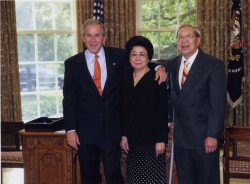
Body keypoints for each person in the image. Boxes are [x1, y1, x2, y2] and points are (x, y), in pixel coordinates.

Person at [63, 19, 167, 184]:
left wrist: (159, 68)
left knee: (114, 176)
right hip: (85, 133)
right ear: (83, 38)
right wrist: (70, 130)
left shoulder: (118, 56)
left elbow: (140, 61)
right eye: (89, 35)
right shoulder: (72, 64)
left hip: (112, 132)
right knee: (89, 176)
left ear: (104, 37)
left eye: (97, 35)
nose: (93, 40)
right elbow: (69, 100)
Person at [167, 24, 227, 184]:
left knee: (206, 179)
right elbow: (171, 96)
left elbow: (218, 103)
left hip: (203, 137)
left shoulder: (213, 65)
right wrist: (170, 118)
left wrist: (213, 135)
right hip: (181, 137)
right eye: (180, 37)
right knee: (185, 179)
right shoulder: (172, 64)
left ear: (198, 40)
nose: (184, 41)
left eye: (188, 36)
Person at [120, 36, 169, 184]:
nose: (137, 58)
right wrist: (124, 135)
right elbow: (123, 110)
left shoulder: (157, 78)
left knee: (151, 179)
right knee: (134, 179)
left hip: (152, 140)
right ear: (129, 57)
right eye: (134, 54)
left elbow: (162, 111)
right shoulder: (125, 76)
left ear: (148, 58)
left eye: (142, 54)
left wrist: (161, 140)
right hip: (132, 141)